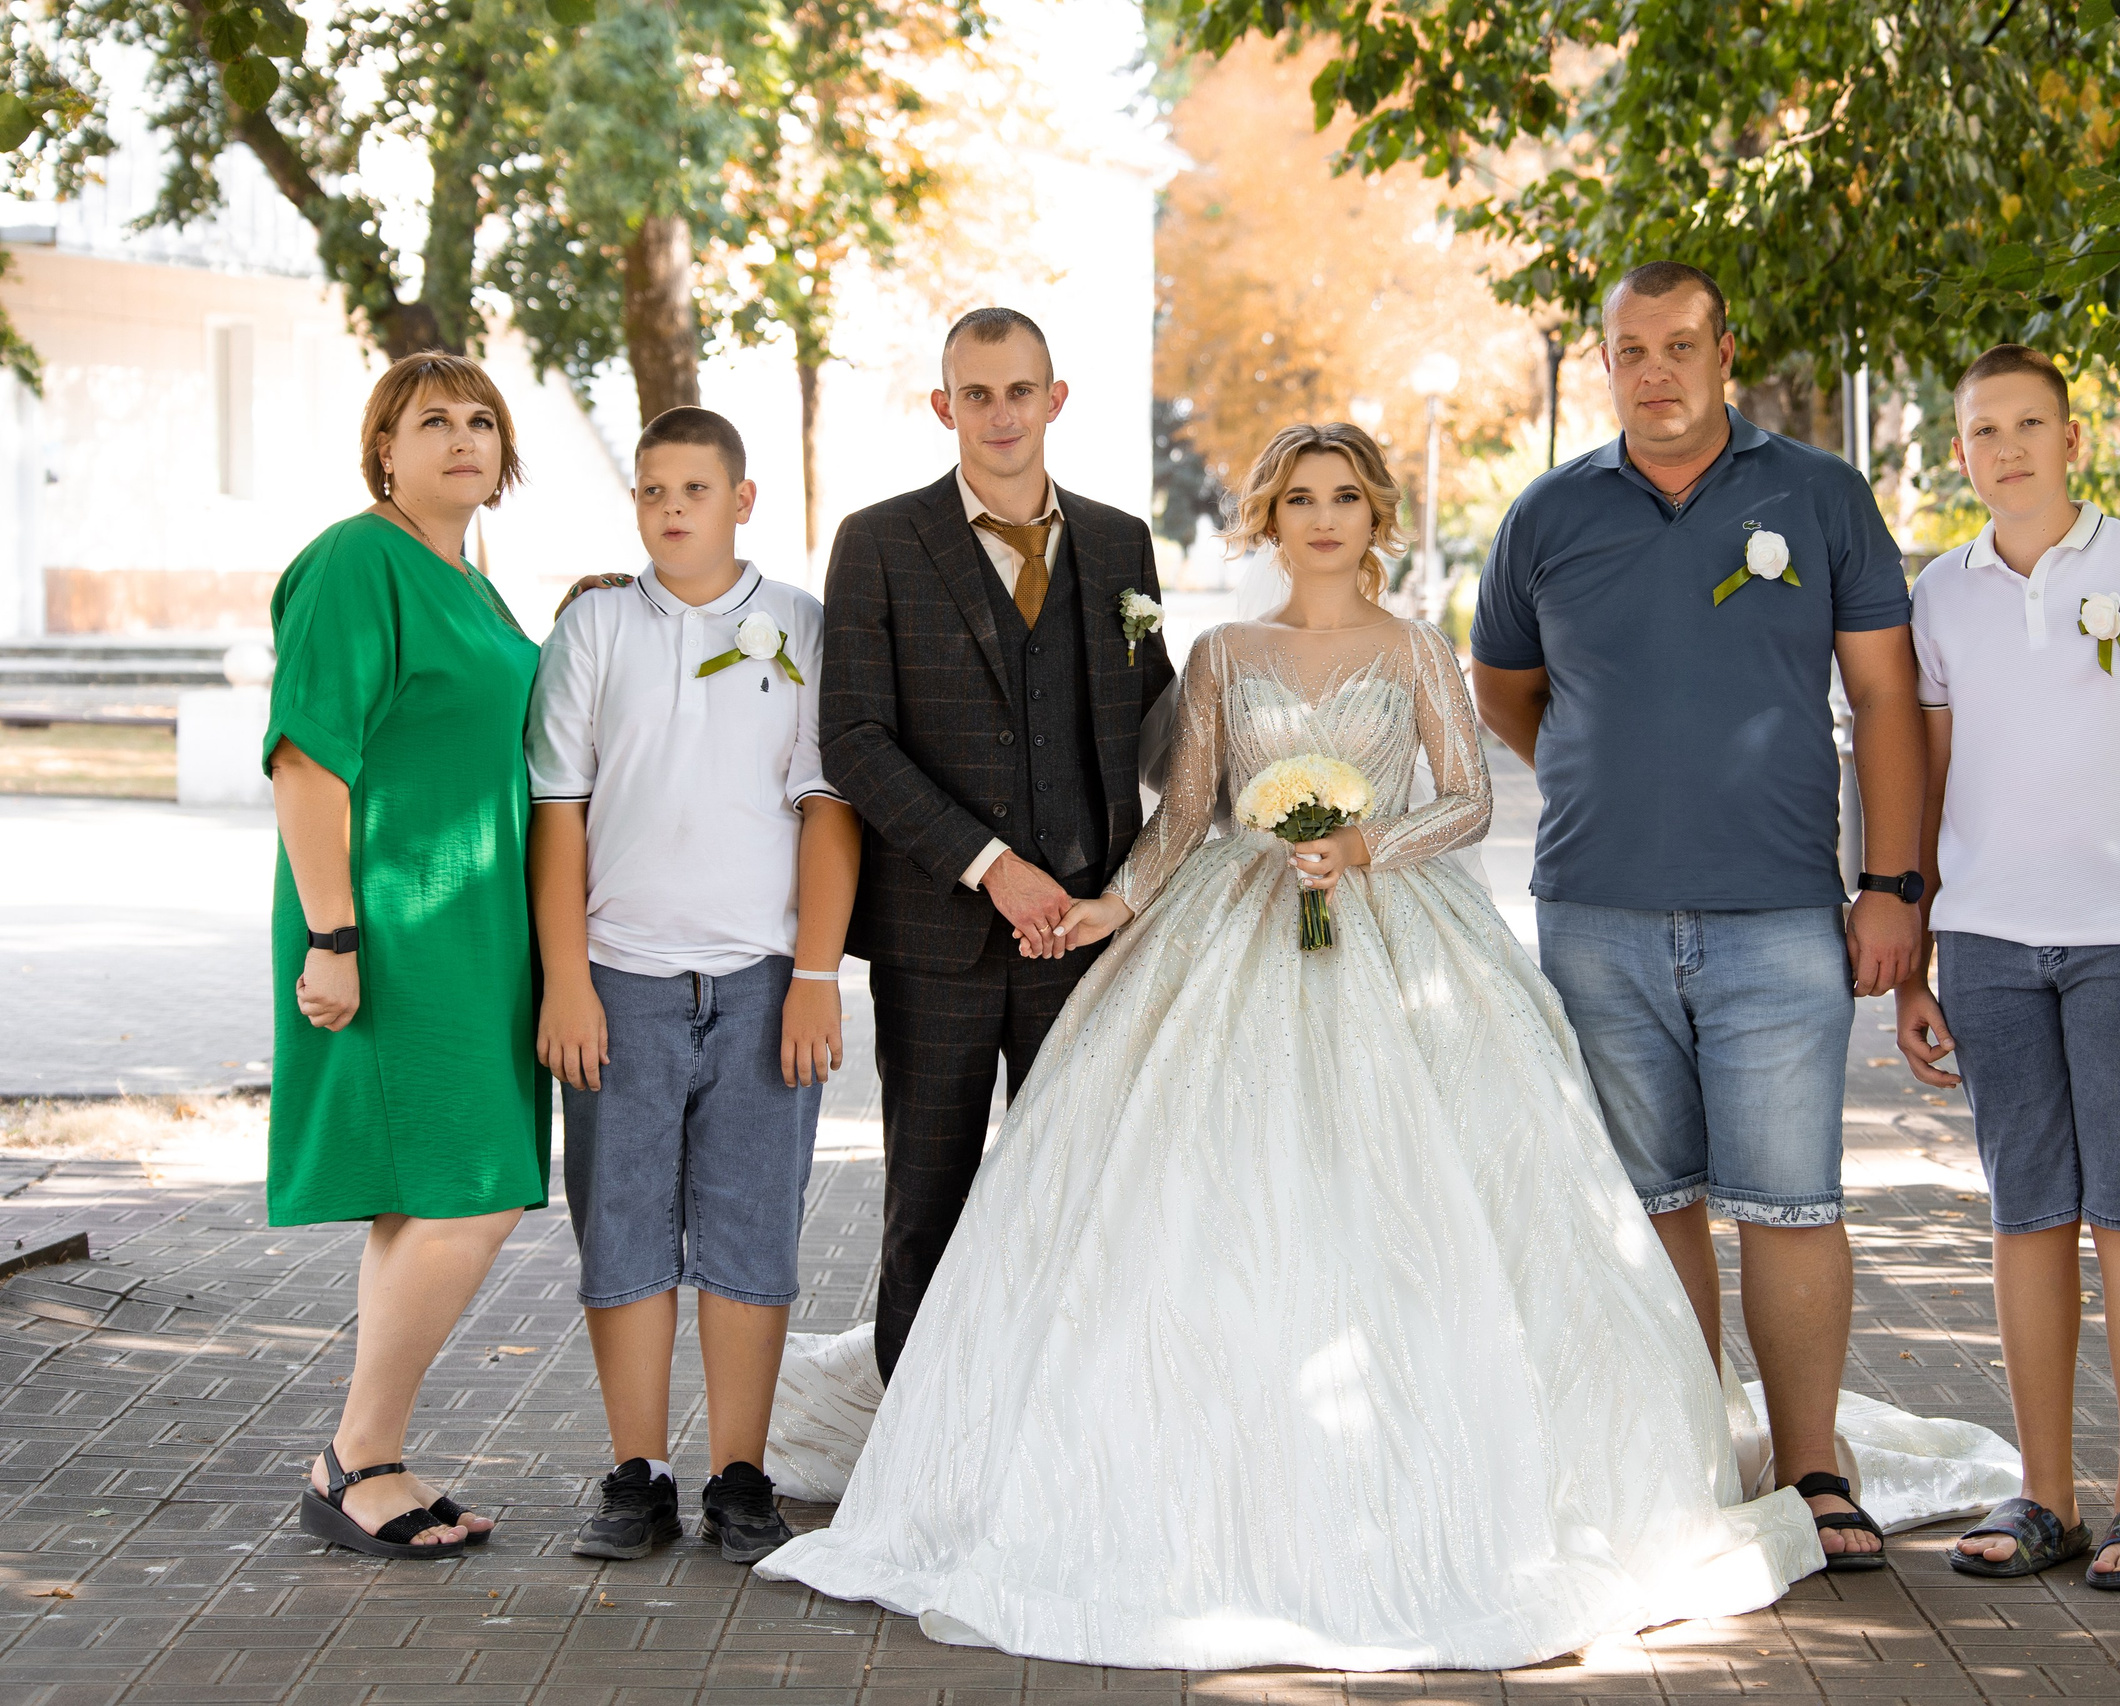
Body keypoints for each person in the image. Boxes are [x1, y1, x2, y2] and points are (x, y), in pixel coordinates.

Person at [753, 422, 2014, 1668]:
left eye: (1344, 495)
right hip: (1230, 929)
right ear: (1268, 517)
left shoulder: (1414, 648)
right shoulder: (1218, 651)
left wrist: (1362, 845)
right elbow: (1185, 816)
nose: (1320, 517)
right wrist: (1109, 908)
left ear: (1374, 516)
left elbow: (1465, 801)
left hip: (1400, 936)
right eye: (1298, 495)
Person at [1468, 261, 1928, 1568]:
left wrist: (1890, 887)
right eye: (1630, 350)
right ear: (1603, 363)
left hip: (1782, 915)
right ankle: (1686, 1451)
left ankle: (1812, 1469)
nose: (1655, 370)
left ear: (1726, 351)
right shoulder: (1548, 513)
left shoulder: (1820, 495)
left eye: (1680, 345)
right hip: (1595, 914)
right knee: (1649, 1197)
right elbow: (1508, 693)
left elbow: (1888, 703)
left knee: (1790, 1201)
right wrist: (1604, 763)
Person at [1896, 345, 2120, 1590]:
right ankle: (2048, 1491)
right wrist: (1917, 959)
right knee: (2025, 1211)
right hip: (1986, 943)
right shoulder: (1939, 594)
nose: (2009, 448)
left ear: (2073, 438)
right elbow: (1923, 786)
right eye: (1985, 430)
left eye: (2030, 423)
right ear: (1961, 453)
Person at [815, 307, 1176, 1387]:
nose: (1000, 413)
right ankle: (913, 1458)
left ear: (1055, 399)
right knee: (923, 1203)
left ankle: (1050, 1439)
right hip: (938, 940)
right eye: (976, 393)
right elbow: (853, 736)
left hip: (1085, 933)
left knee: (1077, 1193)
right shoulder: (878, 540)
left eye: (1020, 390)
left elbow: (1155, 714)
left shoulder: (1121, 543)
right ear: (944, 407)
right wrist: (989, 864)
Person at [525, 406, 860, 1565]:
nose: (673, 509)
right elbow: (558, 813)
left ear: (743, 500)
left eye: (696, 490)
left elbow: (829, 806)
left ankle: (738, 1471)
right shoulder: (597, 627)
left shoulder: (801, 624)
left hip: (763, 980)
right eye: (653, 491)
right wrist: (566, 979)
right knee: (620, 1231)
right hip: (620, 982)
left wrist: (815, 973)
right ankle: (637, 1472)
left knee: (750, 1232)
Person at [267, 352, 549, 1558]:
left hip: (476, 931)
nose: (461, 437)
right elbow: (306, 758)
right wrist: (334, 935)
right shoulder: (356, 560)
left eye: (481, 419)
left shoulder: (472, 583)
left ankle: (369, 1454)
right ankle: (355, 1454)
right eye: (431, 420)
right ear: (384, 448)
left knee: (421, 1201)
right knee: (476, 1193)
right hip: (391, 925)